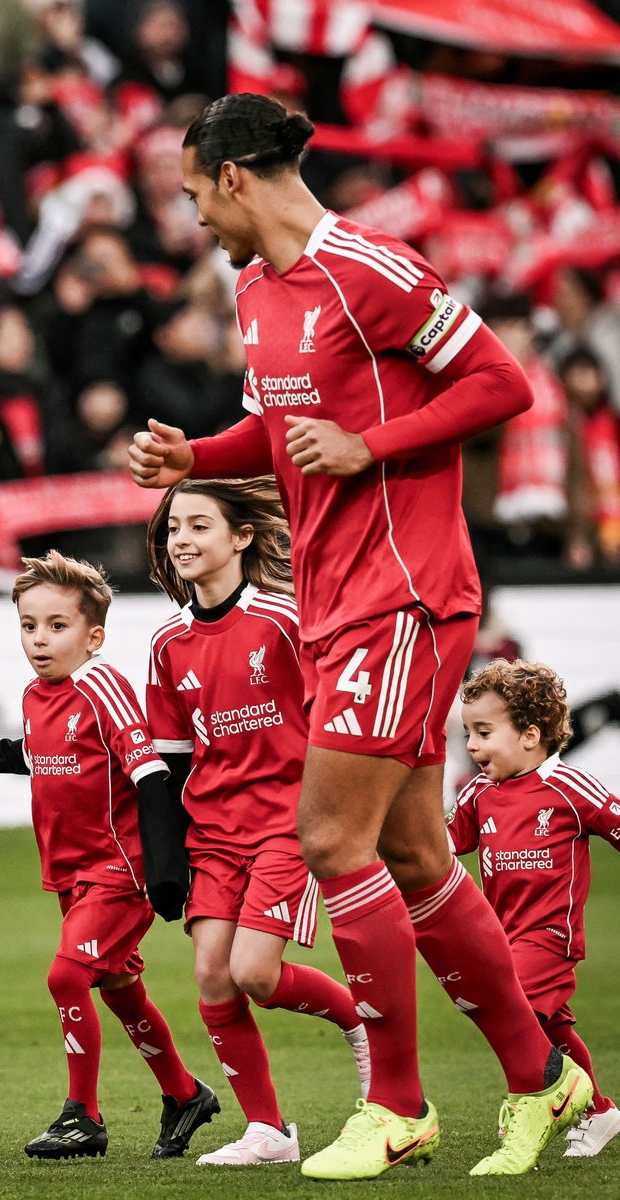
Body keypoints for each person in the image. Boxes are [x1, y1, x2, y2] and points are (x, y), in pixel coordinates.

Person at [127, 92, 593, 1179]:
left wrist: (370, 443)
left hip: (406, 594)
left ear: (235, 178)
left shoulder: (370, 269)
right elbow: (280, 429)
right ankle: (545, 1078)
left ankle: (396, 1104)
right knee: (417, 855)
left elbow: (501, 382)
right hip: (336, 603)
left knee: (331, 842)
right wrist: (196, 458)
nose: (194, 214)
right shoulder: (252, 289)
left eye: (196, 192)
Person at [0, 549, 219, 1160]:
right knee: (117, 987)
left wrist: (167, 871)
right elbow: (40, 758)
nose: (40, 639)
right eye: (29, 625)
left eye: (56, 626)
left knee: (66, 976)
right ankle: (184, 1092)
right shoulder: (41, 695)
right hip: (73, 874)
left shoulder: (102, 685)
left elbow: (149, 774)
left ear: (94, 637)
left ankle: (81, 1116)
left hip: (121, 870)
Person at [144, 477, 370, 1165]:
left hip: (284, 826)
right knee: (213, 977)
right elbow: (173, 763)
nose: (181, 539)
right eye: (173, 528)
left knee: (255, 975)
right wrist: (168, 858)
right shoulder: (166, 644)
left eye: (198, 526)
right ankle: (268, 1131)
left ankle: (362, 1022)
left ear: (241, 537)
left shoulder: (283, 623)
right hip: (212, 835)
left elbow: (336, 725)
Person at [453, 659, 620, 1158]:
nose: (471, 746)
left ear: (530, 735)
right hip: (499, 935)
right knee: (551, 1029)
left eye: (484, 732)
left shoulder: (570, 788)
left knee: (509, 1009)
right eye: (467, 733)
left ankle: (529, 1100)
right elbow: (441, 847)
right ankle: (599, 1112)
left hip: (550, 936)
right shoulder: (478, 793)